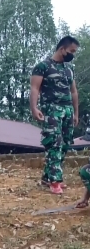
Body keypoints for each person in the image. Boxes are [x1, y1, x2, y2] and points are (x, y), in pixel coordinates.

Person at [30, 35, 80, 195]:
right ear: (62, 49)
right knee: (55, 143)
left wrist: (75, 112)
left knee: (65, 144)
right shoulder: (42, 66)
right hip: (51, 110)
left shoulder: (69, 69)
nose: (73, 54)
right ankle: (55, 181)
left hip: (67, 111)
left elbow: (73, 91)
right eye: (71, 51)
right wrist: (34, 108)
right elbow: (35, 89)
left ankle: (47, 177)